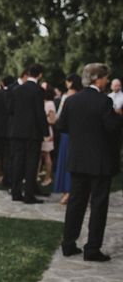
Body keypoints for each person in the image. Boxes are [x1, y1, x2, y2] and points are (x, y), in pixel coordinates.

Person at [58, 63, 123, 261]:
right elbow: (112, 129)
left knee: (76, 203)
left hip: (78, 160)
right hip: (100, 161)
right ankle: (92, 249)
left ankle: (68, 244)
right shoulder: (104, 102)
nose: (107, 82)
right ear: (98, 78)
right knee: (98, 205)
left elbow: (63, 126)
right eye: (105, 78)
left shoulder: (71, 100)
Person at [9, 63, 48, 204]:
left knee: (18, 162)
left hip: (17, 131)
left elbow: (11, 110)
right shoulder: (38, 90)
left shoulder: (17, 90)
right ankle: (29, 195)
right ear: (40, 75)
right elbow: (40, 112)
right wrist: (45, 131)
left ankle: (15, 192)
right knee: (31, 163)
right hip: (32, 132)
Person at [53, 74, 82, 205]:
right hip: (78, 133)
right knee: (74, 161)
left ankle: (67, 192)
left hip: (67, 133)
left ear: (70, 83)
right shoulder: (81, 95)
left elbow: (60, 116)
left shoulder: (67, 96)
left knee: (66, 161)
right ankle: (71, 191)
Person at [40, 87, 57, 186]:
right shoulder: (45, 103)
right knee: (42, 154)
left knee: (47, 155)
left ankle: (48, 177)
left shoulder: (50, 104)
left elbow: (52, 120)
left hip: (47, 131)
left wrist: (42, 119)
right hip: (42, 131)